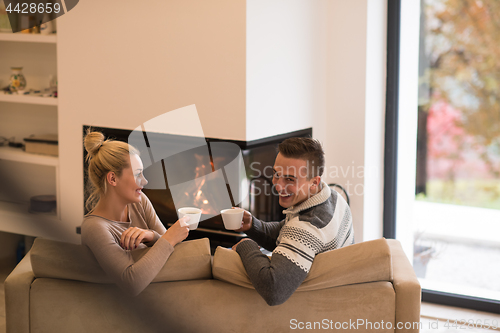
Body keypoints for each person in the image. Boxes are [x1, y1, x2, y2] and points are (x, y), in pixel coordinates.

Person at [232, 137, 354, 306]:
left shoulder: (306, 227)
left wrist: (246, 245)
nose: (278, 186)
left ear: (314, 182)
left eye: (289, 179)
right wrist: (253, 225)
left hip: (311, 307)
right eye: (276, 174)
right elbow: (287, 231)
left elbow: (273, 289)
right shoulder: (334, 197)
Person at [81, 131, 190, 296]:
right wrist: (170, 237)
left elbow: (173, 253)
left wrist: (151, 235)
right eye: (138, 174)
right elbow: (131, 283)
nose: (145, 181)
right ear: (113, 179)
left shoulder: (139, 203)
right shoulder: (94, 228)